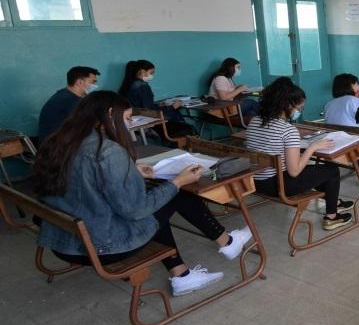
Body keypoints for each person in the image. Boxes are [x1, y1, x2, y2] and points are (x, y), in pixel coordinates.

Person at [32, 91, 253, 297]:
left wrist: (130, 171)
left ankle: (183, 273)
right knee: (174, 193)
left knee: (161, 199)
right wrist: (178, 181)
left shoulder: (58, 141)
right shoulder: (107, 151)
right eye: (128, 119)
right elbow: (136, 210)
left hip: (62, 239)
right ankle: (226, 241)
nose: (130, 126)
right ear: (110, 116)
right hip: (102, 245)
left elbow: (83, 182)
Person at [246, 77, 355, 230]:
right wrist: (311, 148)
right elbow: (294, 171)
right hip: (278, 186)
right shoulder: (288, 130)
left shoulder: (254, 121)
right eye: (299, 108)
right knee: (331, 170)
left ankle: (334, 201)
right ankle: (332, 217)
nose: (299, 112)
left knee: (318, 171)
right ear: (287, 105)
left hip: (256, 182)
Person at [118, 59, 196, 137]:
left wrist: (158, 105)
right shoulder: (143, 87)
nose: (152, 76)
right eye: (151, 73)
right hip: (149, 122)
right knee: (188, 128)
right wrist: (172, 107)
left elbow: (141, 106)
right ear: (142, 72)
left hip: (135, 121)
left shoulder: (128, 86)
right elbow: (149, 111)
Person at [38, 66, 100, 141]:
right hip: (56, 148)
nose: (95, 86)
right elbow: (87, 126)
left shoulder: (64, 94)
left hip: (55, 144)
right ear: (79, 82)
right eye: (93, 82)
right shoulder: (69, 101)